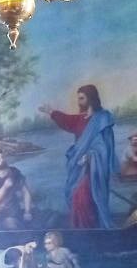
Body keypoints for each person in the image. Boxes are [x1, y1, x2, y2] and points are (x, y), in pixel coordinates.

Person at [38, 84, 116, 229]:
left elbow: (105, 146)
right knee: (74, 195)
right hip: (78, 167)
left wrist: (90, 156)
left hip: (94, 169)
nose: (79, 102)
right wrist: (50, 111)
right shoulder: (80, 119)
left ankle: (90, 229)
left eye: (82, 98)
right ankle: (80, 229)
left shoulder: (102, 119)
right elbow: (65, 120)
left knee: (82, 197)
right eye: (78, 98)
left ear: (91, 99)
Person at [0, 149, 33, 228]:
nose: (2, 160)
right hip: (2, 215)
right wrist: (5, 186)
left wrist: (27, 212)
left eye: (2, 157)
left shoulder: (14, 172)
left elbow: (26, 192)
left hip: (17, 210)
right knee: (12, 226)